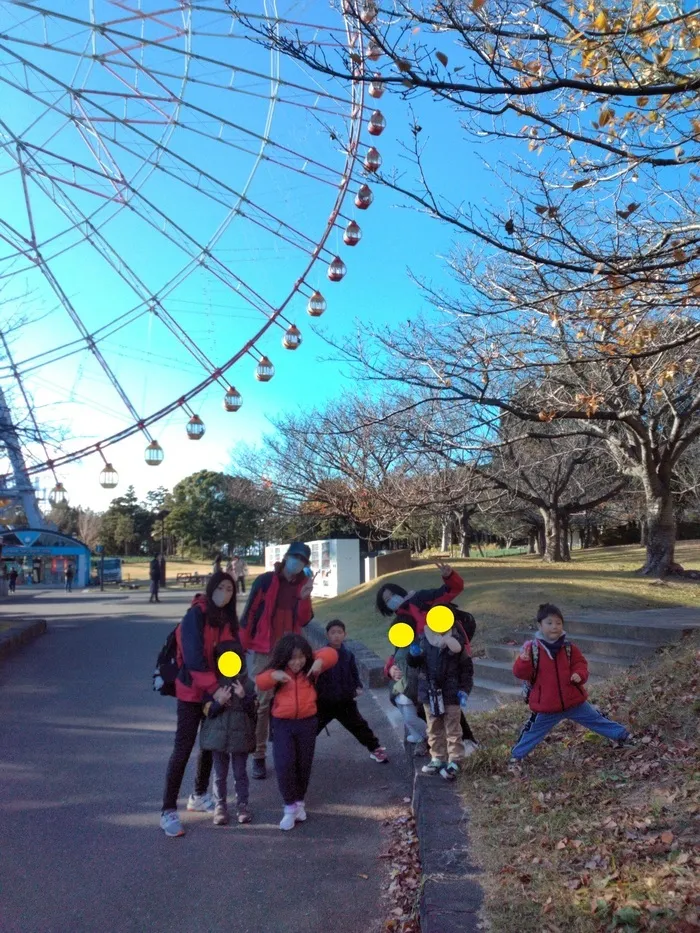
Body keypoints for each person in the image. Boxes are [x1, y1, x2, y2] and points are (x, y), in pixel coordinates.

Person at [160, 571, 239, 837]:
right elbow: (193, 658)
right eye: (222, 588)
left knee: (209, 743)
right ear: (212, 588)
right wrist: (216, 690)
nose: (226, 593)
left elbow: (231, 654)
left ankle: (198, 794)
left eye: (230, 589)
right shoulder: (195, 615)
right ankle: (168, 810)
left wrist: (234, 681)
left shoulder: (225, 619)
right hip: (191, 692)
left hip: (214, 690)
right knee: (183, 747)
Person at [510, 603, 632, 762]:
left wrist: (579, 674)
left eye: (558, 623)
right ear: (539, 625)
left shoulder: (569, 648)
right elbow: (520, 673)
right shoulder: (532, 651)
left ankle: (622, 735)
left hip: (574, 701)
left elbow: (581, 664)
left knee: (596, 719)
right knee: (533, 732)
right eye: (549, 623)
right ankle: (516, 756)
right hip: (547, 706)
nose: (554, 627)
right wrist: (524, 661)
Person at [379, 562, 477, 750]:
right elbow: (398, 650)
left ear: (400, 591)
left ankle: (467, 740)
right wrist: (390, 669)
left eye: (392, 595)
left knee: (449, 699)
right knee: (425, 699)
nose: (392, 600)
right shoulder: (399, 621)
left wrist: (449, 575)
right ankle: (437, 741)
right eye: (387, 600)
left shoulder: (421, 599)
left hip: (449, 653)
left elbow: (452, 590)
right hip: (424, 663)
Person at [239, 542, 314, 779]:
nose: (298, 562)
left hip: (290, 651)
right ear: (286, 557)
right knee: (262, 704)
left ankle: (286, 752)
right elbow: (249, 612)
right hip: (265, 650)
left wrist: (304, 598)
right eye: (295, 557)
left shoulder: (303, 585)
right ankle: (259, 755)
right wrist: (240, 648)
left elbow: (304, 620)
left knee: (290, 699)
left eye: (302, 560)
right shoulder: (265, 581)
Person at [255, 633, 337, 831]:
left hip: (307, 723)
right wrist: (274, 676)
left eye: (301, 657)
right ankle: (289, 807)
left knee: (304, 764)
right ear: (284, 657)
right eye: (292, 658)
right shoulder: (277, 671)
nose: (297, 662)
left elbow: (331, 653)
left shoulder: (310, 667)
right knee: (284, 764)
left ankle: (299, 802)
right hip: (282, 724)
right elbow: (260, 681)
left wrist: (318, 661)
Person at [407, 617, 473, 781]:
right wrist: (413, 654)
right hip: (430, 693)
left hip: (451, 692)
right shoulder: (423, 640)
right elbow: (414, 664)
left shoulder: (457, 643)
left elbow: (467, 669)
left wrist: (464, 690)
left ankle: (455, 760)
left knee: (453, 729)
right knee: (433, 727)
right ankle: (438, 758)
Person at [200, 640, 257, 826]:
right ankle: (220, 806)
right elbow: (207, 711)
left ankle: (242, 805)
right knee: (219, 774)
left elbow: (254, 712)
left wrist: (244, 697)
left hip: (240, 736)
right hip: (218, 737)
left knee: (240, 773)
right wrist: (219, 702)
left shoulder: (248, 685)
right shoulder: (213, 685)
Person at [316, 620, 389, 764]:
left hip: (345, 700)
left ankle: (375, 749)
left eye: (339, 632)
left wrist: (357, 686)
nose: (336, 636)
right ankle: (298, 755)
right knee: (310, 729)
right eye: (333, 633)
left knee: (359, 725)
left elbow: (353, 672)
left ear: (344, 634)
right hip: (325, 702)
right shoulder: (321, 655)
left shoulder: (348, 654)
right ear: (327, 635)